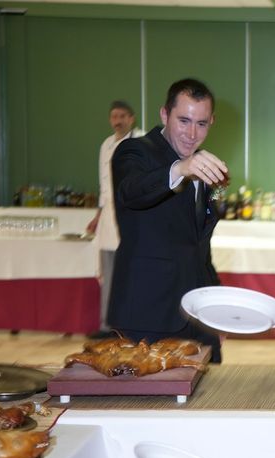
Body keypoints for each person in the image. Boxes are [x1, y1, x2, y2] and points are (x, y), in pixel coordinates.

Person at [107, 78, 228, 363]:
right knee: (150, 405)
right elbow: (132, 191)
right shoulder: (135, 151)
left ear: (211, 122)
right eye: (183, 120)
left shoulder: (202, 165)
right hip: (148, 315)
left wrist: (217, 307)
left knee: (208, 401)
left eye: (201, 123)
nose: (191, 133)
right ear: (164, 114)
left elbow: (198, 246)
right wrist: (180, 168)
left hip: (198, 318)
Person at [86, 100, 144, 339]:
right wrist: (97, 216)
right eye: (113, 116)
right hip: (109, 219)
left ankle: (135, 326)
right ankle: (107, 326)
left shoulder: (142, 141)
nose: (117, 121)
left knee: (134, 274)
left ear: (131, 118)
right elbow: (104, 185)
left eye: (122, 116)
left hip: (134, 218)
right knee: (109, 275)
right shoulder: (106, 144)